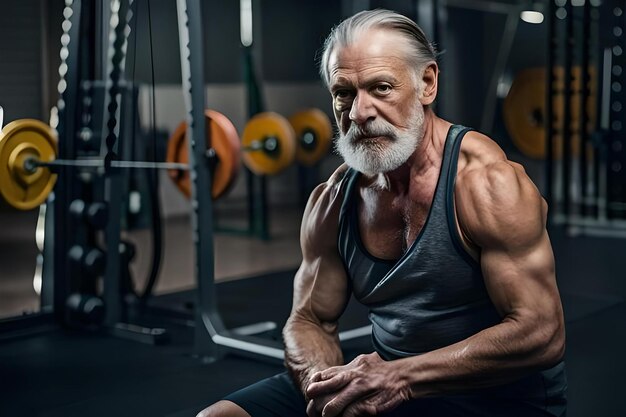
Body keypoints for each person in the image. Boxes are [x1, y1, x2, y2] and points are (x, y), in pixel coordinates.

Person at [198, 8, 567, 417]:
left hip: (489, 397)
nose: (359, 112)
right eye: (344, 93)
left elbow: (541, 332)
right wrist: (324, 388)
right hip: (387, 381)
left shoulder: (485, 184)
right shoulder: (334, 199)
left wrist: (400, 377)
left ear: (426, 83)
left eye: (381, 88)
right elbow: (309, 321)